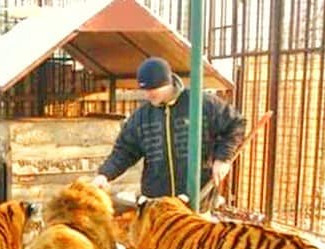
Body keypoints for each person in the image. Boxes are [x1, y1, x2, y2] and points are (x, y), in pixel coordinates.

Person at [93, 57, 246, 199]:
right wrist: (105, 175)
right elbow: (125, 150)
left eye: (152, 90)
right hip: (158, 201)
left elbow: (235, 124)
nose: (148, 95)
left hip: (196, 196)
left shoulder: (201, 103)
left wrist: (223, 158)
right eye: (144, 90)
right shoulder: (141, 116)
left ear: (167, 83)